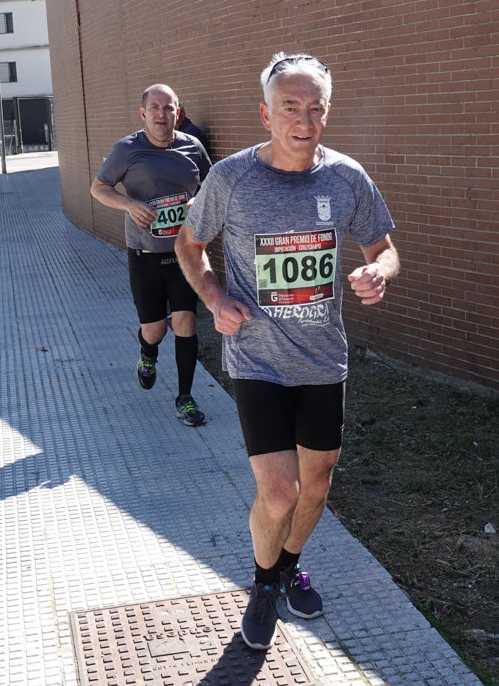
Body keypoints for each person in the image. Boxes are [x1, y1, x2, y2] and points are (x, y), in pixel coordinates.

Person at [176, 52, 400, 648]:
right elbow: (190, 244)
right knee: (279, 491)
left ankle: (289, 563)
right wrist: (214, 295)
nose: (303, 119)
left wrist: (379, 271)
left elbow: (384, 246)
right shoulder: (231, 178)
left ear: (327, 112)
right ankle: (263, 584)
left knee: (317, 486)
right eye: (289, 107)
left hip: (322, 359)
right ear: (266, 114)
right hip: (257, 358)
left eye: (315, 107)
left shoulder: (347, 177)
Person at [91, 83, 210, 427]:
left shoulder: (193, 147)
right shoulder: (127, 150)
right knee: (155, 330)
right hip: (145, 254)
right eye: (155, 108)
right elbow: (98, 188)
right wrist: (128, 203)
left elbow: (210, 186)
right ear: (143, 113)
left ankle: (185, 398)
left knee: (186, 323)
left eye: (168, 108)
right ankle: (147, 354)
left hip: (186, 253)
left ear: (178, 112)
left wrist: (197, 203)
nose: (162, 114)